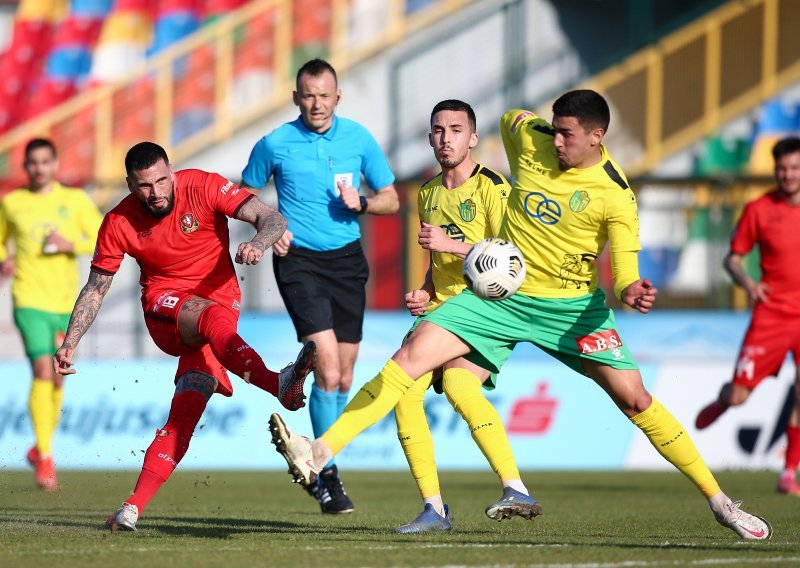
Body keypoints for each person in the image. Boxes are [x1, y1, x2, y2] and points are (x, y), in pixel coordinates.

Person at [269, 90, 773, 540]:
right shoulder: (524, 134)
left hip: (572, 309)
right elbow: (513, 119)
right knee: (409, 360)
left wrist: (631, 289)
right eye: (553, 131)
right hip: (500, 300)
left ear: (598, 137)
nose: (556, 142)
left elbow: (623, 270)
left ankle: (720, 502)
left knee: (636, 399)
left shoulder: (616, 196)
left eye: (569, 135)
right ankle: (318, 453)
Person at [53, 142, 316, 531]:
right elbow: (96, 288)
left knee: (185, 413)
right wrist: (70, 343)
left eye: (162, 180)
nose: (156, 193)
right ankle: (279, 384)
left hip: (221, 309)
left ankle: (130, 508)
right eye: (144, 186)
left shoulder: (204, 186)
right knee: (207, 315)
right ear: (129, 184)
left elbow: (270, 218)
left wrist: (258, 243)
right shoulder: (118, 222)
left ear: (172, 170)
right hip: (166, 309)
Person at [241, 58, 398, 514]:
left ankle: (322, 462)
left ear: (337, 97)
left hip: (347, 262)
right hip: (298, 262)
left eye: (324, 95)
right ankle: (325, 475)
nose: (316, 104)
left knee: (344, 376)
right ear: (295, 97)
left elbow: (390, 198)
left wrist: (363, 202)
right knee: (326, 366)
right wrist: (272, 226)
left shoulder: (359, 138)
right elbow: (242, 197)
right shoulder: (275, 143)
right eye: (308, 95)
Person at [394, 99, 537, 533]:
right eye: (438, 130)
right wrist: (424, 291)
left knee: (457, 383)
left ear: (473, 138)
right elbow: (438, 266)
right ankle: (434, 510)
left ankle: (516, 488)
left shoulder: (494, 189)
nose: (445, 138)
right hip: (441, 310)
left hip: (487, 310)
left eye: (456, 130)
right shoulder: (428, 193)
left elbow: (514, 259)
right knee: (403, 393)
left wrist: (451, 246)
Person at [695, 136, 800, 496]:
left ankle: (788, 473)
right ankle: (725, 401)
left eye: (794, 168)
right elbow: (733, 258)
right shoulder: (759, 209)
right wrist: (749, 284)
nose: (788, 175)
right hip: (772, 314)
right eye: (782, 168)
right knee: (740, 396)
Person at [0, 138, 103, 491]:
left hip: (65, 304)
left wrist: (69, 244)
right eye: (33, 163)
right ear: (25, 166)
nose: (39, 168)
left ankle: (38, 447)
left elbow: (103, 238)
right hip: (28, 299)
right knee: (43, 368)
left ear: (55, 163)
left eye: (45, 161)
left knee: (58, 378)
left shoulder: (73, 201)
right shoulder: (12, 203)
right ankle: (46, 455)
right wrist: (3, 259)